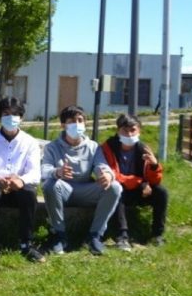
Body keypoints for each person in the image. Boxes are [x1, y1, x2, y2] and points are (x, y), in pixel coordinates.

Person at [41, 105, 122, 255]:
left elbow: (101, 165)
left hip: (86, 190)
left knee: (115, 187)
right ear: (63, 125)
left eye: (80, 120)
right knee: (49, 185)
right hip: (62, 190)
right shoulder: (52, 147)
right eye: (72, 121)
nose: (77, 124)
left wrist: (106, 174)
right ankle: (59, 235)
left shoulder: (93, 147)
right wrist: (57, 172)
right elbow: (44, 170)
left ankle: (95, 236)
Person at [0, 97, 44, 264]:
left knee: (29, 193)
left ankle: (26, 243)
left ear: (21, 117)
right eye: (6, 114)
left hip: (17, 188)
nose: (11, 118)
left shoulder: (30, 143)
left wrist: (20, 180)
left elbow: (35, 173)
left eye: (15, 114)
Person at [96, 113, 168, 249]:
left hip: (140, 192)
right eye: (125, 130)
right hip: (120, 190)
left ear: (139, 131)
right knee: (115, 190)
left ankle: (157, 234)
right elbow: (113, 174)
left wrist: (154, 165)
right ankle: (122, 236)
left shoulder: (143, 149)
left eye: (133, 130)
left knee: (161, 192)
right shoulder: (108, 148)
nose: (129, 134)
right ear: (118, 131)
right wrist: (141, 183)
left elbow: (155, 180)